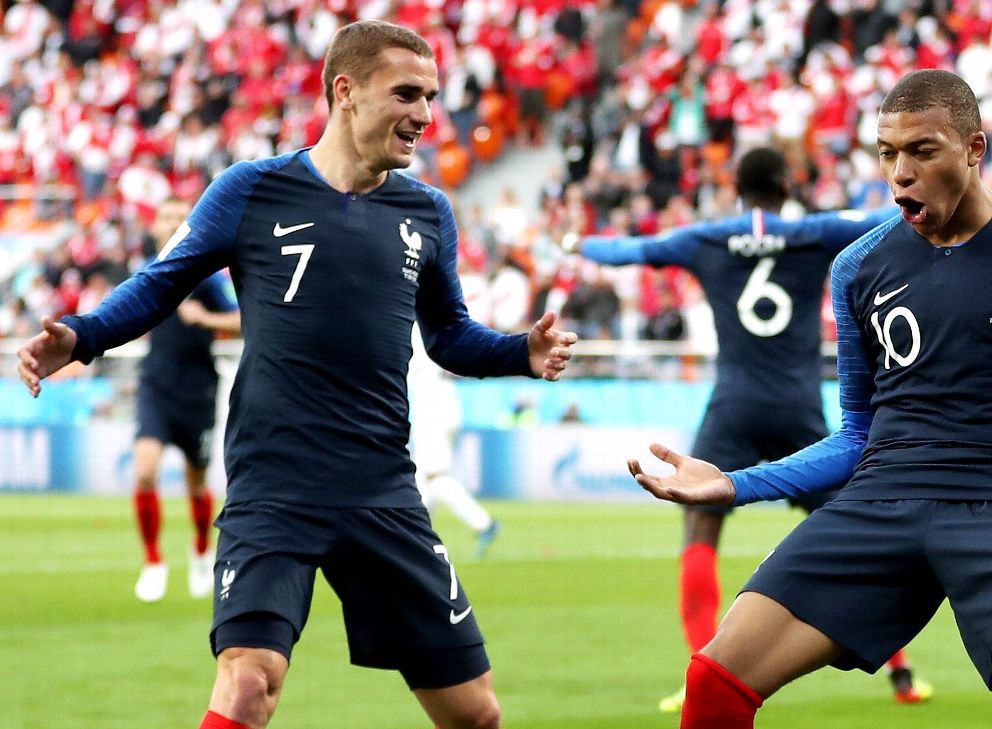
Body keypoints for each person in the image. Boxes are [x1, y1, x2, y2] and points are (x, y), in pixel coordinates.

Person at [17, 20, 577, 729]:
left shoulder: (427, 211)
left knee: (475, 713)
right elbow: (162, 282)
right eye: (407, 94)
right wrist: (83, 336)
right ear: (346, 91)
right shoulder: (252, 190)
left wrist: (518, 351)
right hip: (274, 486)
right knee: (248, 683)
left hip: (381, 486)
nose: (426, 116)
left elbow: (450, 337)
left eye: (431, 97)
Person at [628, 69, 992, 729]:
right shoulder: (857, 266)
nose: (900, 173)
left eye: (922, 150)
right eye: (887, 153)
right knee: (714, 680)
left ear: (974, 149)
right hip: (878, 499)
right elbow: (855, 435)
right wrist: (734, 485)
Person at [563, 146, 931, 710]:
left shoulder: (706, 238)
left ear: (736, 188)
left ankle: (700, 673)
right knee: (855, 534)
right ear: (786, 184)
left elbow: (631, 250)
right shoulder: (814, 233)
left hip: (733, 403)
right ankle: (901, 676)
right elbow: (895, 217)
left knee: (699, 528)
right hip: (798, 406)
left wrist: (575, 243)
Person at [131, 197, 242, 603]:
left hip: (197, 391)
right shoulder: (147, 272)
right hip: (156, 385)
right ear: (155, 227)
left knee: (196, 482)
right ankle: (153, 560)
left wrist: (205, 318)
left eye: (181, 217)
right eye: (167, 217)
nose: (173, 223)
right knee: (145, 471)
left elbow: (242, 319)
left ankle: (200, 552)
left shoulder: (208, 277)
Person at [408, 322, 500, 558]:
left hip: (431, 404)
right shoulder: (429, 322)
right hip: (444, 399)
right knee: (424, 475)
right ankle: (419, 534)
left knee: (434, 475)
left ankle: (484, 523)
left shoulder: (410, 324)